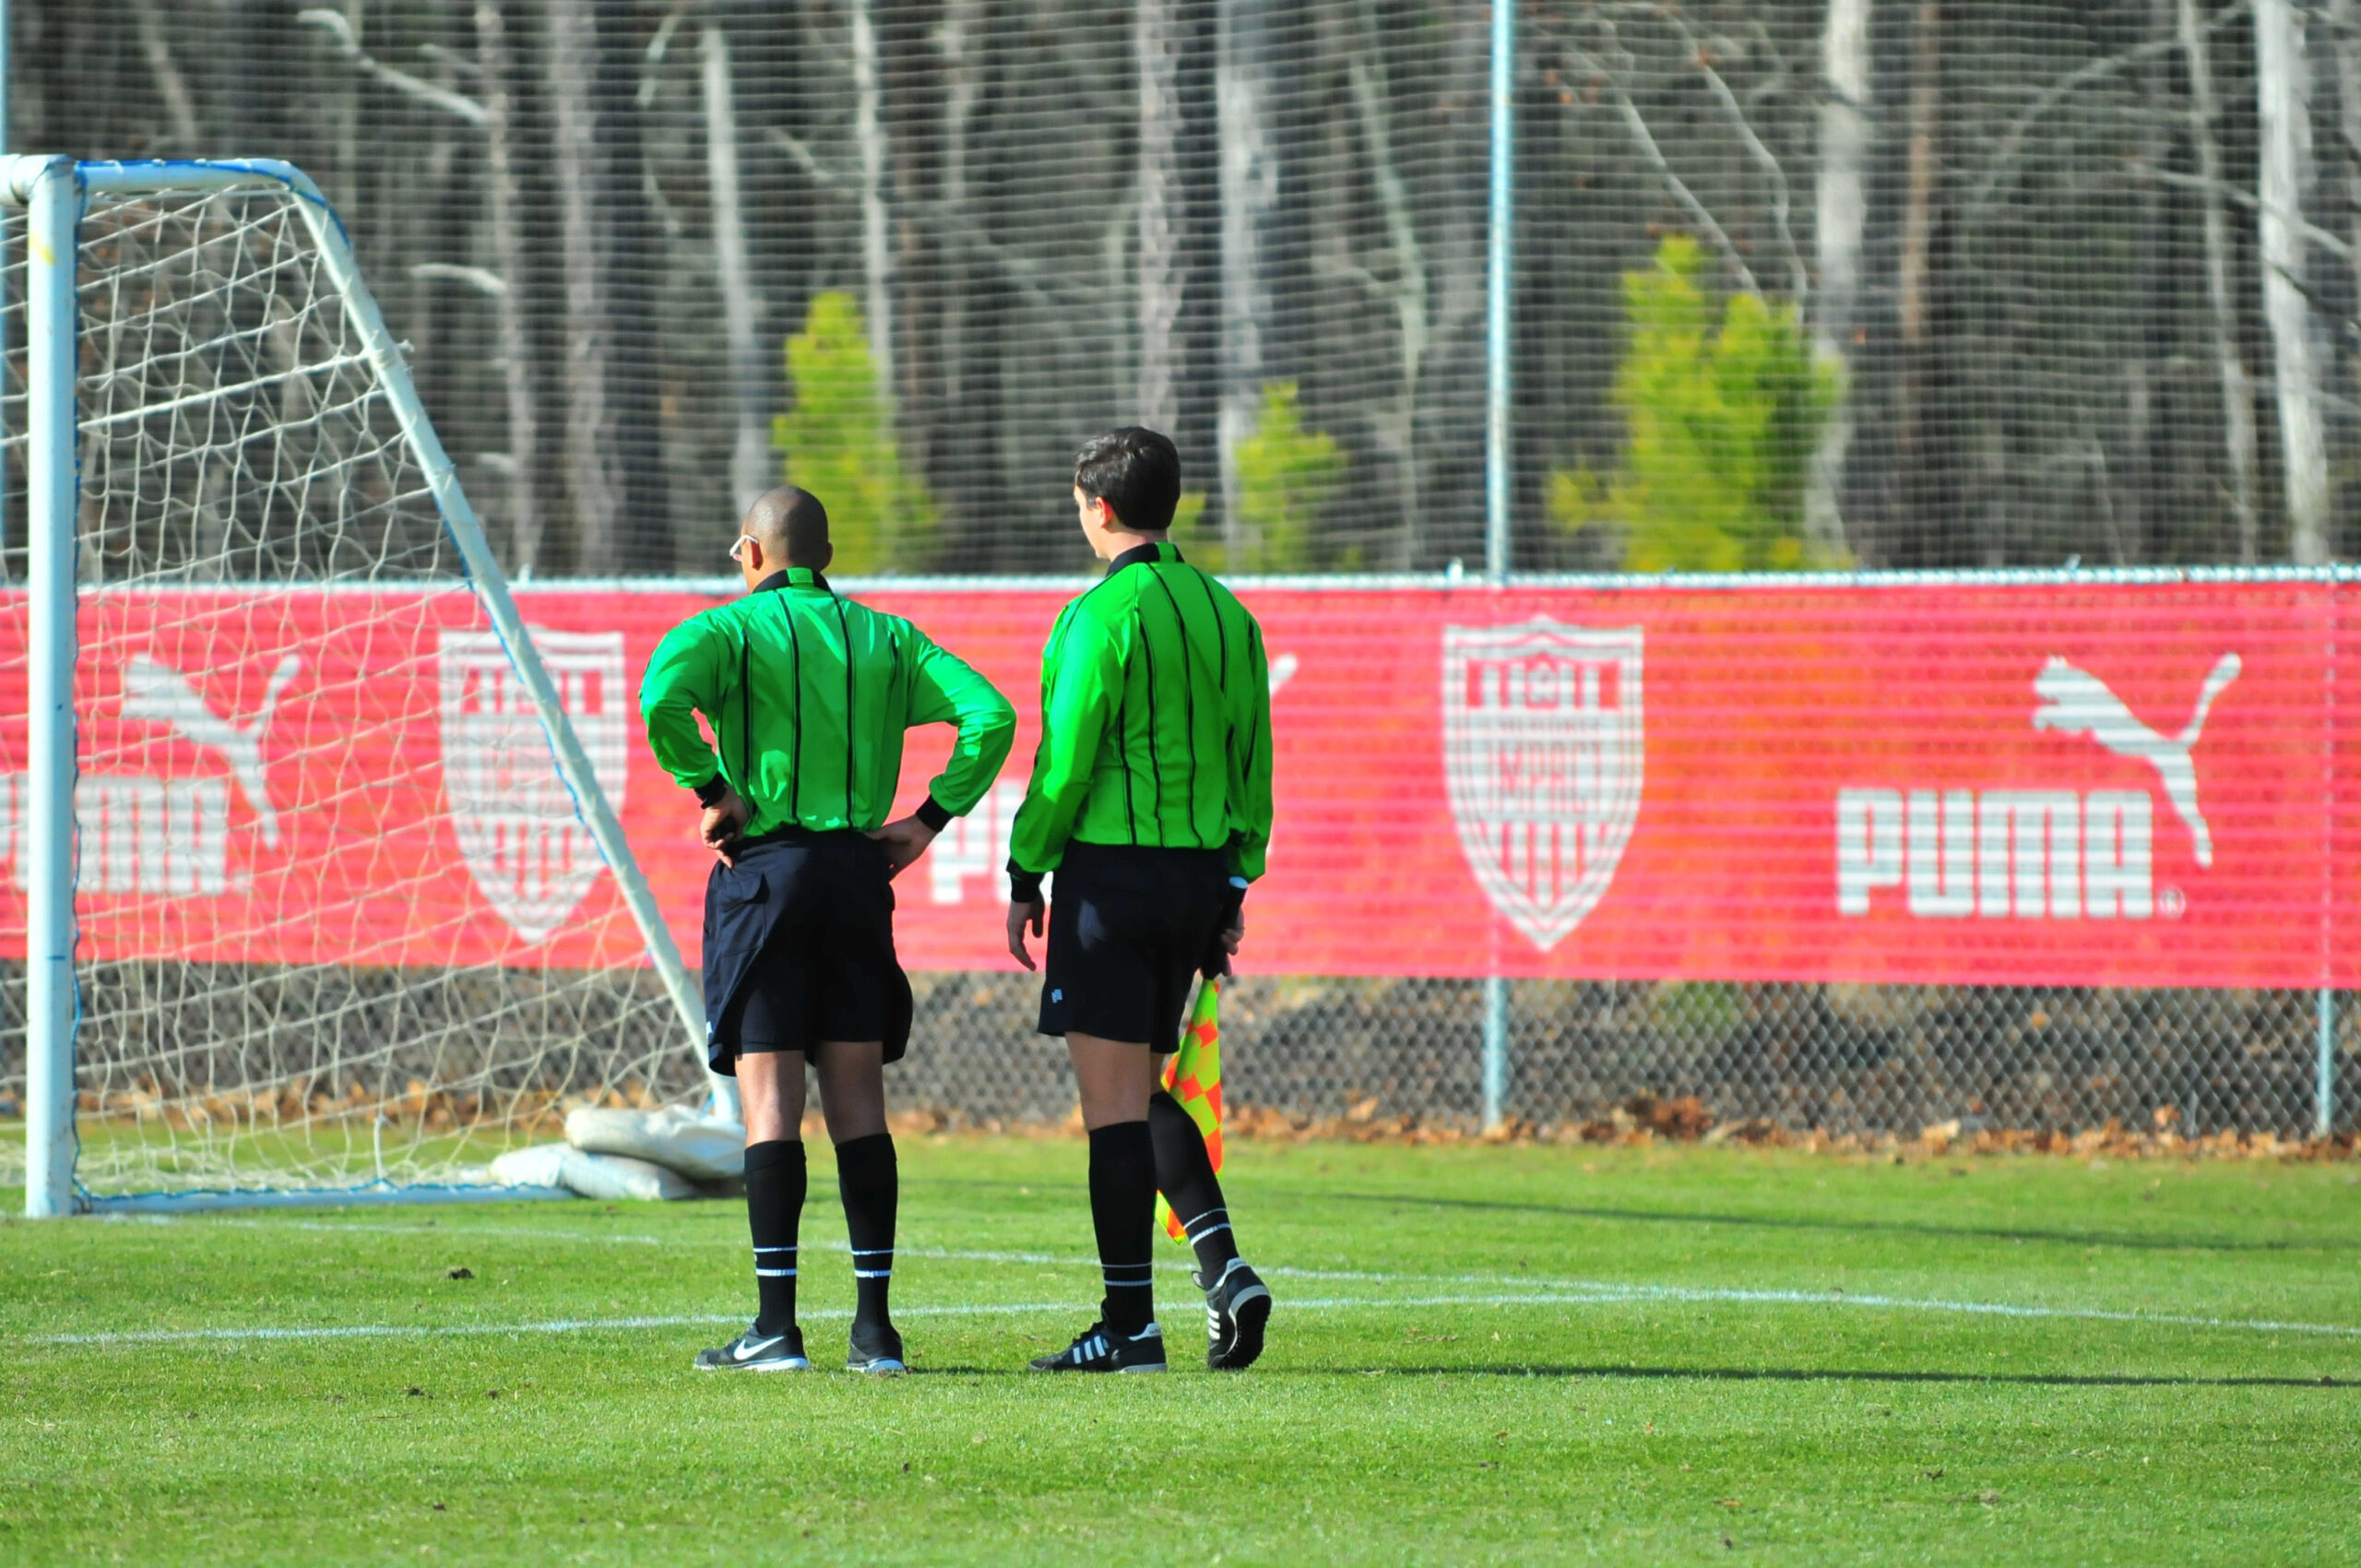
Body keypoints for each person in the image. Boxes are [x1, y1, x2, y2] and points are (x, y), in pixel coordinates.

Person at [640, 486, 1014, 1375]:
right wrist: (926, 820)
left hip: (765, 876)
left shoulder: (726, 632)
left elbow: (662, 696)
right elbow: (991, 715)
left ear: (749, 555)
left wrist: (712, 791)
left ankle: (775, 1329)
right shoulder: (885, 636)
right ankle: (875, 1334)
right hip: (856, 878)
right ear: (829, 557)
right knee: (858, 1107)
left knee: (771, 1107)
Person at [1003, 427, 1276, 1373]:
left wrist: (1023, 868)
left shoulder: (1097, 615)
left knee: (1112, 1110)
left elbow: (1066, 759)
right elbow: (1256, 759)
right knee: (1142, 1088)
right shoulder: (1227, 613)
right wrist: (1234, 883)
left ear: (1100, 507)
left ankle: (1129, 1325)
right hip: (1197, 880)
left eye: (1080, 502)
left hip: (1112, 882)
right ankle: (1222, 1269)